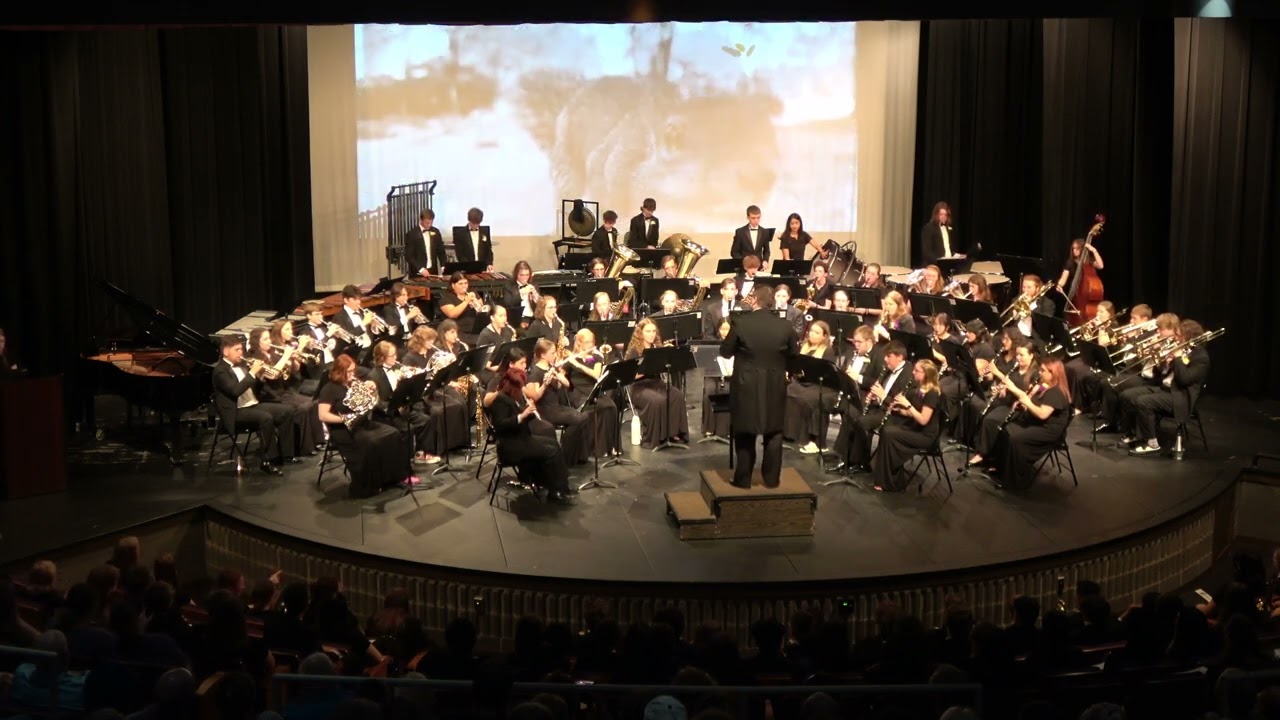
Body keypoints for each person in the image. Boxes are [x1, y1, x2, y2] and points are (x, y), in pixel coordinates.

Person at [720, 285, 798, 488]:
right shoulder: (786, 326)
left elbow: (726, 351)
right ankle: (772, 480)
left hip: (746, 385)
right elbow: (793, 357)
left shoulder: (741, 323)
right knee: (774, 431)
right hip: (774, 385)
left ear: (754, 300)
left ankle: (743, 479)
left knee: (745, 431)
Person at [316, 355, 414, 498]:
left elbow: (370, 403)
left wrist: (372, 390)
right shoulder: (329, 389)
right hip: (342, 429)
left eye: (353, 371)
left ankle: (392, 478)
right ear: (339, 372)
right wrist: (345, 419)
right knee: (371, 442)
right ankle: (369, 485)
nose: (352, 375)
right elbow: (323, 415)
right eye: (348, 372)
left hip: (361, 423)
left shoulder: (352, 383)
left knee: (393, 433)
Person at [1121, 319, 1210, 457]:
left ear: (1188, 336)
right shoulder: (1181, 348)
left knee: (1143, 402)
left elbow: (1184, 379)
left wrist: (1178, 359)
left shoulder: (1200, 357)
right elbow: (1162, 374)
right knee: (1127, 395)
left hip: (1180, 397)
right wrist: (1166, 363)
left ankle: (1152, 443)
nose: (1176, 338)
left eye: (1179, 335)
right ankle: (1135, 434)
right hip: (1165, 388)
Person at [212, 334, 296, 475]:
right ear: (226, 351)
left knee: (286, 411)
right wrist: (252, 373)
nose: (241, 353)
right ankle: (267, 460)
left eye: (242, 349)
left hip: (252, 405)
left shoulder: (243, 365)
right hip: (236, 411)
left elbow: (252, 387)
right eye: (237, 349)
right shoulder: (220, 371)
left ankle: (286, 455)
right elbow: (235, 391)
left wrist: (260, 376)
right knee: (266, 418)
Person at [488, 367, 574, 504]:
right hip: (510, 446)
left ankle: (560, 486)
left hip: (521, 439)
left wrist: (530, 413)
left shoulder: (514, 397)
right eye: (521, 386)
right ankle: (555, 491)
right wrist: (522, 416)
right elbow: (500, 426)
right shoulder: (500, 399)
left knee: (553, 444)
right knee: (551, 451)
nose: (523, 389)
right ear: (513, 386)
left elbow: (521, 419)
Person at [984, 357, 1073, 490]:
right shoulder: (1046, 387)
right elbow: (1035, 405)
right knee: (1006, 430)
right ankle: (1001, 467)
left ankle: (1013, 480)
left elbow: (1043, 414)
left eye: (1043, 371)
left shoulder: (1056, 392)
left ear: (1052, 374)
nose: (1040, 373)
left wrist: (1027, 402)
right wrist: (1023, 405)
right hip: (1038, 423)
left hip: (1049, 431)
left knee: (1016, 439)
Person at [831, 341, 912, 474]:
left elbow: (899, 403)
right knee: (850, 413)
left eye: (889, 356)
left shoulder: (908, 375)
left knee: (862, 422)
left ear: (900, 357)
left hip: (893, 414)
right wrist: (875, 396)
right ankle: (844, 457)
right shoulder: (888, 369)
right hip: (880, 406)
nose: (885, 360)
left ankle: (860, 462)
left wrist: (883, 396)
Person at [870, 359, 942, 492]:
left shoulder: (932, 393)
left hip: (926, 436)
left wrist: (907, 404)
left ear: (925, 374)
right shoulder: (918, 389)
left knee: (890, 433)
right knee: (887, 430)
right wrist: (899, 410)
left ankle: (891, 482)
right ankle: (887, 477)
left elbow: (923, 420)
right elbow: (912, 414)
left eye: (917, 371)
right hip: (915, 429)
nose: (913, 372)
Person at [624, 318, 690, 449]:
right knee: (657, 401)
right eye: (648, 331)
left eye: (654, 331)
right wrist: (648, 367)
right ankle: (655, 438)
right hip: (640, 387)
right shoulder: (634, 351)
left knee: (677, 396)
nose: (651, 334)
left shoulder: (658, 348)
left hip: (657, 383)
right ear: (640, 333)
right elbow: (631, 376)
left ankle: (673, 433)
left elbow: (666, 367)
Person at [526, 338, 593, 465]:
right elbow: (535, 397)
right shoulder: (535, 372)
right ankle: (564, 456)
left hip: (555, 406)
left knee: (584, 416)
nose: (556, 355)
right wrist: (545, 383)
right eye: (552, 353)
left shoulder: (551, 367)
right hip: (546, 410)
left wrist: (556, 375)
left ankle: (578, 456)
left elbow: (566, 384)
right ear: (543, 355)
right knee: (579, 418)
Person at [784, 320, 837, 455]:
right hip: (802, 382)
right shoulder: (804, 346)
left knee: (809, 398)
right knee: (788, 391)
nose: (812, 334)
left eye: (817, 332)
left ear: (824, 336)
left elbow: (827, 375)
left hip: (820, 385)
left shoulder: (828, 351)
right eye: (811, 331)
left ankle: (811, 438)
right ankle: (790, 434)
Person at [404, 209, 446, 278]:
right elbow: (409, 256)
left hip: (433, 271)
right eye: (427, 223)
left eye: (431, 222)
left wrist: (443, 265)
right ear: (421, 220)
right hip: (418, 273)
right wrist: (421, 269)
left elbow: (441, 251)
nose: (429, 225)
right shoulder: (412, 234)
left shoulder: (436, 232)